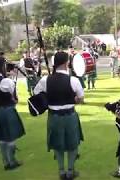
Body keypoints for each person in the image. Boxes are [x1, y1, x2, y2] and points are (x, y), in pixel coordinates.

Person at [34, 52, 84, 180]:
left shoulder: (45, 80)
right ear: (67, 63)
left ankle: (61, 171)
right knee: (72, 144)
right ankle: (70, 171)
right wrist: (73, 99)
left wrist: (48, 97)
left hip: (54, 116)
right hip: (70, 116)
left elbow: (36, 94)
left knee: (58, 144)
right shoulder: (73, 80)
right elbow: (80, 99)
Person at [0, 56, 25, 170]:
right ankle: (12, 162)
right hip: (7, 110)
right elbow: (14, 99)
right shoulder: (6, 81)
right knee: (11, 138)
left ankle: (6, 162)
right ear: (1, 66)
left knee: (3, 139)